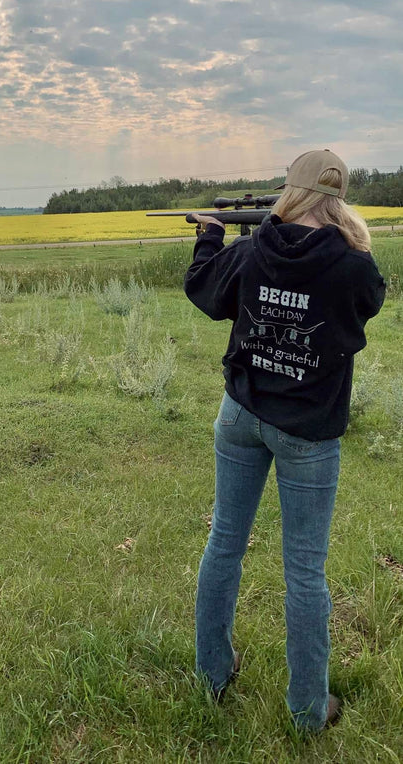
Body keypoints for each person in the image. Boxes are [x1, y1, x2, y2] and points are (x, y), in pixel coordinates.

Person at [184, 149, 386, 733]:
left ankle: (212, 675)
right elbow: (367, 304)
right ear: (338, 198)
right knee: (304, 570)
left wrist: (211, 237)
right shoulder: (352, 264)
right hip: (309, 433)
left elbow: (203, 288)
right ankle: (306, 712)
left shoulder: (250, 251)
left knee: (225, 543)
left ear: (289, 191)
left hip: (240, 415)